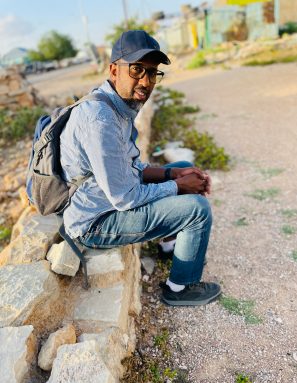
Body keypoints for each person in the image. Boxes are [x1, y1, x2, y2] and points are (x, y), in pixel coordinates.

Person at [60, 30, 221, 306]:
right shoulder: (100, 120)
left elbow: (132, 168)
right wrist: (179, 186)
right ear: (114, 69)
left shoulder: (116, 104)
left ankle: (169, 244)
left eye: (152, 73)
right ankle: (180, 288)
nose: (146, 81)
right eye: (137, 69)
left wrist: (175, 174)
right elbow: (125, 197)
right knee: (197, 209)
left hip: (106, 201)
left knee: (182, 166)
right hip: (95, 222)